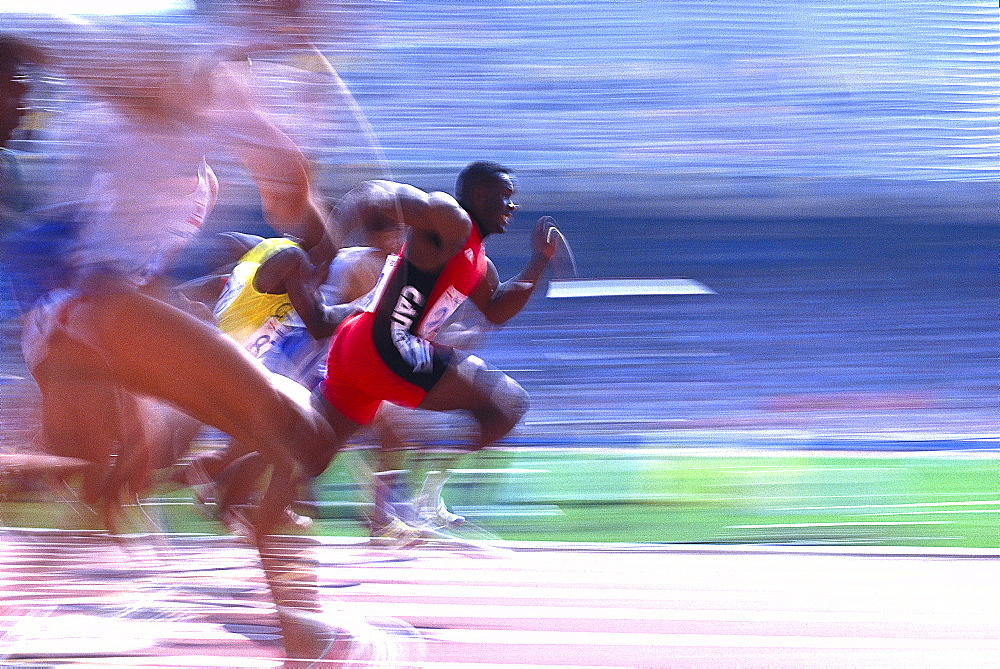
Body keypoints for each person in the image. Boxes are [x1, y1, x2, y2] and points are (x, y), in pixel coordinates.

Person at [5, 21, 385, 663]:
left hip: (95, 327)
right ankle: (307, 633)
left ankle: (302, 629)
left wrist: (318, 248)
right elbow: (284, 175)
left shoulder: (199, 112)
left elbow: (285, 187)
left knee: (127, 478)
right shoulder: (185, 73)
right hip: (89, 312)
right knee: (301, 432)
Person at [284, 161, 562, 530]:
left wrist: (537, 264)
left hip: (360, 347)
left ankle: (230, 487)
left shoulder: (480, 264)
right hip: (387, 345)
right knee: (508, 405)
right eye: (506, 198)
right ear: (479, 195)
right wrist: (323, 254)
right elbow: (370, 195)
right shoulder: (451, 218)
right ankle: (425, 498)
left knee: (310, 453)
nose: (512, 207)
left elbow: (495, 309)